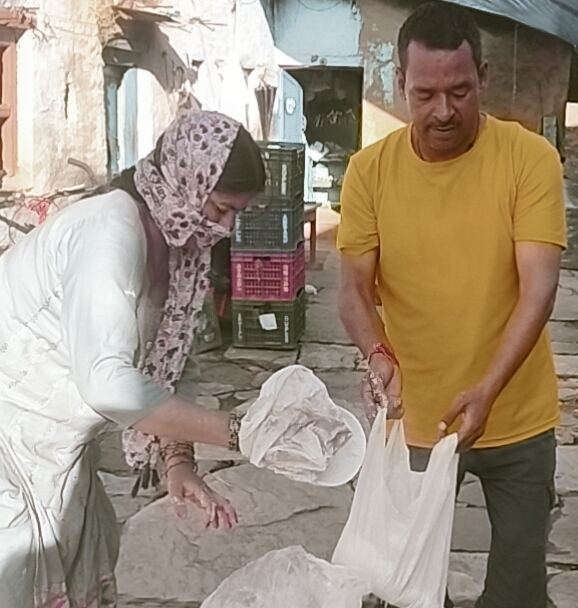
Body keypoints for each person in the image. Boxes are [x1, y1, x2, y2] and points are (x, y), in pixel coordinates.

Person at [337, 3, 566, 608]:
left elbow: (539, 289)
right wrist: (378, 353)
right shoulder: (369, 172)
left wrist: (487, 390)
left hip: (516, 417)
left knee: (519, 593)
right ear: (401, 83)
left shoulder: (529, 160)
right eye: (426, 94)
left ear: (482, 77)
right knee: (406, 590)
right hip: (416, 419)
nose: (443, 110)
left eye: (460, 91)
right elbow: (354, 289)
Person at [0, 110, 265, 608]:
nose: (227, 227)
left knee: (84, 564)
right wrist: (238, 432)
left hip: (57, 449)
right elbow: (108, 384)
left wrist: (179, 461)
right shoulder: (108, 232)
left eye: (236, 214)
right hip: (11, 442)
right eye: (222, 208)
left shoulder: (178, 250)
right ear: (187, 183)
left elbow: (173, 363)